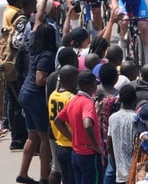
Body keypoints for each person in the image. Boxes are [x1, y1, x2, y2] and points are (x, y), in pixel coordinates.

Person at [18, 23, 57, 184]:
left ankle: (23, 173)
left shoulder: (35, 50)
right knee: (44, 137)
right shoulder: (47, 55)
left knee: (32, 135)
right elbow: (40, 79)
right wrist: (58, 77)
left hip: (25, 93)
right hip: (35, 97)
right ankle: (44, 177)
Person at [53, 70, 103, 184]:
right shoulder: (87, 103)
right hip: (89, 154)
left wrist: (73, 138)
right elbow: (87, 124)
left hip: (76, 153)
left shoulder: (72, 101)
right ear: (91, 85)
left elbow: (58, 121)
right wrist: (95, 146)